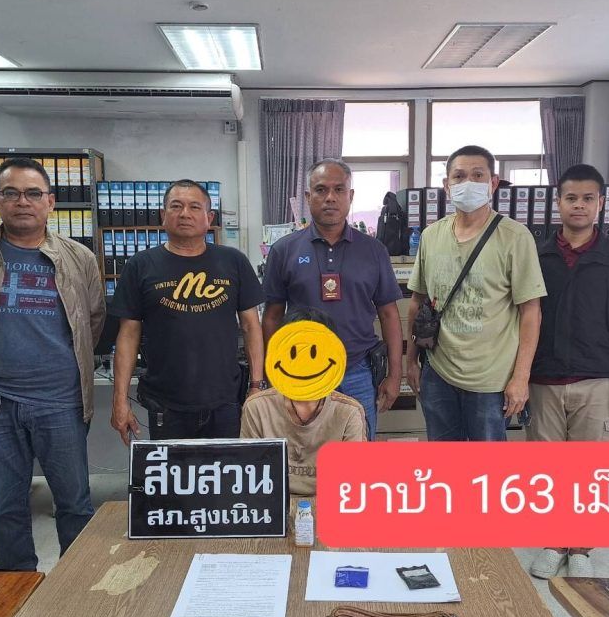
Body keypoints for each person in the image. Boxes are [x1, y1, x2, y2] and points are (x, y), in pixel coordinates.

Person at [0, 156, 105, 571]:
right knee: (5, 506)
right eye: (11, 193)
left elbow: (92, 321)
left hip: (62, 401)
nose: (23, 202)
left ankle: (76, 584)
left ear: (50, 202)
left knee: (75, 504)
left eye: (33, 194)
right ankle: (16, 586)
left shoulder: (79, 257)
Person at [527, 163, 609, 579]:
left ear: (600, 203)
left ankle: (580, 546)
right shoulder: (538, 255)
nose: (578, 206)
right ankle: (552, 542)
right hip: (543, 379)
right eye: (570, 198)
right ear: (558, 202)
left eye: (587, 199)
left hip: (597, 379)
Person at [406, 145, 546, 441]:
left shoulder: (515, 237)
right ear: (447, 186)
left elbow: (531, 312)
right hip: (438, 374)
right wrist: (411, 361)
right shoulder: (431, 236)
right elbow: (417, 302)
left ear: (493, 183)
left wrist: (521, 377)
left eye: (478, 175)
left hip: (491, 381)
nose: (468, 182)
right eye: (459, 176)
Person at [111, 179, 265, 441]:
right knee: (171, 470)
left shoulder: (233, 261)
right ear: (163, 215)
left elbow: (251, 327)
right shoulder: (141, 265)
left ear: (209, 218)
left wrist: (256, 387)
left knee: (226, 467)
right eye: (176, 206)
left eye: (195, 207)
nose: (185, 213)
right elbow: (128, 335)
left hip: (226, 401)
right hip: (166, 404)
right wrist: (119, 399)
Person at [262, 158, 402, 440]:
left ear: (350, 196)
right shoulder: (284, 250)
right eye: (321, 189)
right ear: (307, 196)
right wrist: (273, 372)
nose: (330, 197)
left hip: (358, 371)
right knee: (303, 452)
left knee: (358, 455)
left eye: (339, 190)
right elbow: (272, 316)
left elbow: (389, 314)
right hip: (300, 370)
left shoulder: (374, 250)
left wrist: (395, 375)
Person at [241, 307, 366, 496]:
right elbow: (249, 478)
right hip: (272, 505)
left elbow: (351, 484)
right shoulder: (257, 408)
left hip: (329, 504)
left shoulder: (349, 412)